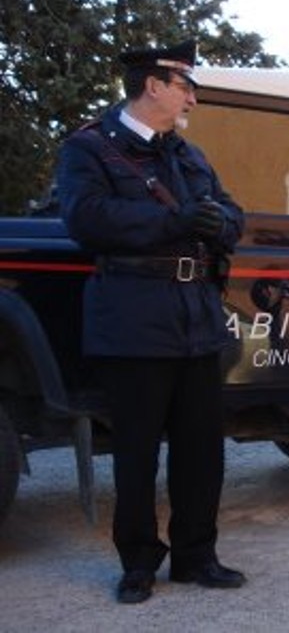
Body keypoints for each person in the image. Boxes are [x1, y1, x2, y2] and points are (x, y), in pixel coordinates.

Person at [57, 39, 246, 602]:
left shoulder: (186, 155)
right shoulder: (89, 149)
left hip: (195, 317)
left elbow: (232, 210)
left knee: (201, 449)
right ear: (153, 85)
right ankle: (138, 563)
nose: (192, 96)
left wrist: (220, 223)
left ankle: (196, 556)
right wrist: (173, 222)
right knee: (138, 453)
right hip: (134, 318)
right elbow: (87, 219)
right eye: (185, 85)